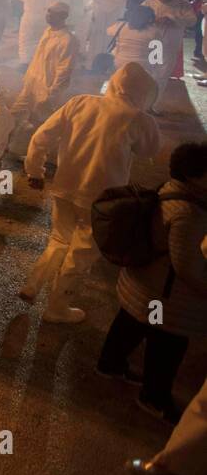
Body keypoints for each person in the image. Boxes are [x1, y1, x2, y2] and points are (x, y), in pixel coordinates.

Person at [21, 62, 160, 323]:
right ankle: (57, 308)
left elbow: (41, 137)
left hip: (65, 187)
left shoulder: (79, 103)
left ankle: (33, 285)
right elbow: (149, 151)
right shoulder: (139, 119)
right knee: (82, 252)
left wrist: (35, 171)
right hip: (103, 200)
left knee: (60, 239)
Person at [98, 142, 207, 423]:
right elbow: (188, 267)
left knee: (131, 322)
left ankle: (110, 365)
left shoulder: (167, 189)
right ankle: (153, 398)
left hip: (143, 283)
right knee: (167, 344)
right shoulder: (188, 214)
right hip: (166, 295)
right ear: (195, 176)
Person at [11, 2, 79, 146]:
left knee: (39, 120)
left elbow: (64, 69)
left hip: (47, 86)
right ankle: (7, 142)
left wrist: (52, 92)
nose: (48, 15)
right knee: (17, 111)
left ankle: (33, 151)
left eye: (52, 13)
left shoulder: (68, 40)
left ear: (63, 16)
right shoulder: (48, 31)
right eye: (48, 11)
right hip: (32, 81)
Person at [87, 0, 128, 65]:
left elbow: (119, 0)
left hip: (111, 16)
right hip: (100, 14)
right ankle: (92, 61)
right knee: (95, 37)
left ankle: (102, 64)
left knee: (107, 39)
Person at [16, 0, 54, 66]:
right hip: (45, 16)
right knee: (42, 38)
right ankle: (40, 60)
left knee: (26, 39)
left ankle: (25, 62)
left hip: (29, 16)